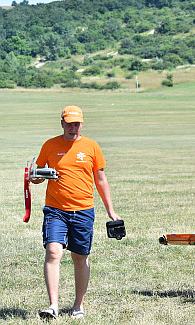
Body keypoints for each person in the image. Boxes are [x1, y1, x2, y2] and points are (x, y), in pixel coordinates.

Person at [31, 105, 121, 320]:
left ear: (81, 124)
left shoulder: (91, 146)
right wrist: (37, 177)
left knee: (80, 257)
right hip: (55, 210)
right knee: (53, 251)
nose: (73, 128)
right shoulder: (50, 145)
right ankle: (53, 306)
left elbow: (100, 180)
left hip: (83, 210)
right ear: (61, 123)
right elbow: (37, 174)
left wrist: (111, 210)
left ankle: (78, 306)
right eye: (69, 124)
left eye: (77, 124)